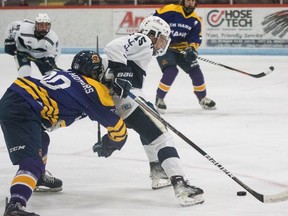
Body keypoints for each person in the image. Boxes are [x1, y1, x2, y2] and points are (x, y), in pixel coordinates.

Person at [93, 16, 204, 207]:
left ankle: (158, 171)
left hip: (116, 103)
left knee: (149, 133)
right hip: (130, 100)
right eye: (161, 39)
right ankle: (181, 186)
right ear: (152, 34)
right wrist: (121, 72)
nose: (162, 44)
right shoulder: (143, 40)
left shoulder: (139, 47)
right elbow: (112, 47)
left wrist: (119, 74)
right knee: (162, 137)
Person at [0, 50, 128, 216]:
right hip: (23, 108)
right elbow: (117, 126)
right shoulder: (93, 89)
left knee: (42, 139)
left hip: (17, 94)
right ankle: (16, 205)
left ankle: (38, 178)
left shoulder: (64, 73)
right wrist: (112, 143)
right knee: (31, 163)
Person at [153, 0, 216, 113]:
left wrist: (192, 49)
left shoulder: (195, 20)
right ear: (183, 1)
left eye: (193, 1)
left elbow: (195, 39)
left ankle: (202, 98)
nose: (190, 3)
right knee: (171, 70)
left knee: (196, 71)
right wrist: (154, 39)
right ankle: (159, 98)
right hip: (165, 47)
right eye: (188, 1)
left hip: (182, 50)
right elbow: (153, 20)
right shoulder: (170, 10)